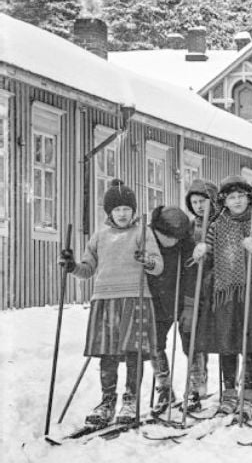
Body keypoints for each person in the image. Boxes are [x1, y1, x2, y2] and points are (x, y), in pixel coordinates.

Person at [62, 179, 163, 425]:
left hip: (135, 297)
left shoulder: (142, 232)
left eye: (126, 209)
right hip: (105, 299)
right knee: (107, 352)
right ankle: (107, 401)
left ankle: (130, 401)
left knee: (133, 351)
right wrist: (72, 266)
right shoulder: (99, 236)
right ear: (109, 212)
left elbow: (158, 266)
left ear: (133, 211)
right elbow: (87, 269)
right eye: (116, 210)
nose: (122, 214)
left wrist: (147, 261)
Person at [192, 175, 252, 418]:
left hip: (250, 290)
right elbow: (207, 263)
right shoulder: (216, 226)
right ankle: (228, 393)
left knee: (248, 345)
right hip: (224, 294)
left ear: (249, 199)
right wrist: (202, 252)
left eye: (241, 196)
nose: (237, 201)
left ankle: (247, 394)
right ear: (224, 201)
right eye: (231, 197)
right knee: (227, 345)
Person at [147, 206, 196, 415]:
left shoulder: (187, 244)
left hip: (182, 299)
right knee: (154, 343)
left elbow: (194, 276)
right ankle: (164, 387)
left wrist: (190, 306)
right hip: (157, 301)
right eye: (166, 236)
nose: (171, 241)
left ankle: (195, 388)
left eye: (175, 237)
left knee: (191, 344)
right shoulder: (147, 239)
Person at [182, 178, 218, 406]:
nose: (199, 206)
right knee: (189, 333)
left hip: (216, 285)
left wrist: (210, 249)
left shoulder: (222, 222)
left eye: (203, 201)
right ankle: (197, 380)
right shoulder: (188, 227)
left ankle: (233, 386)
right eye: (194, 202)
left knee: (217, 334)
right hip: (192, 286)